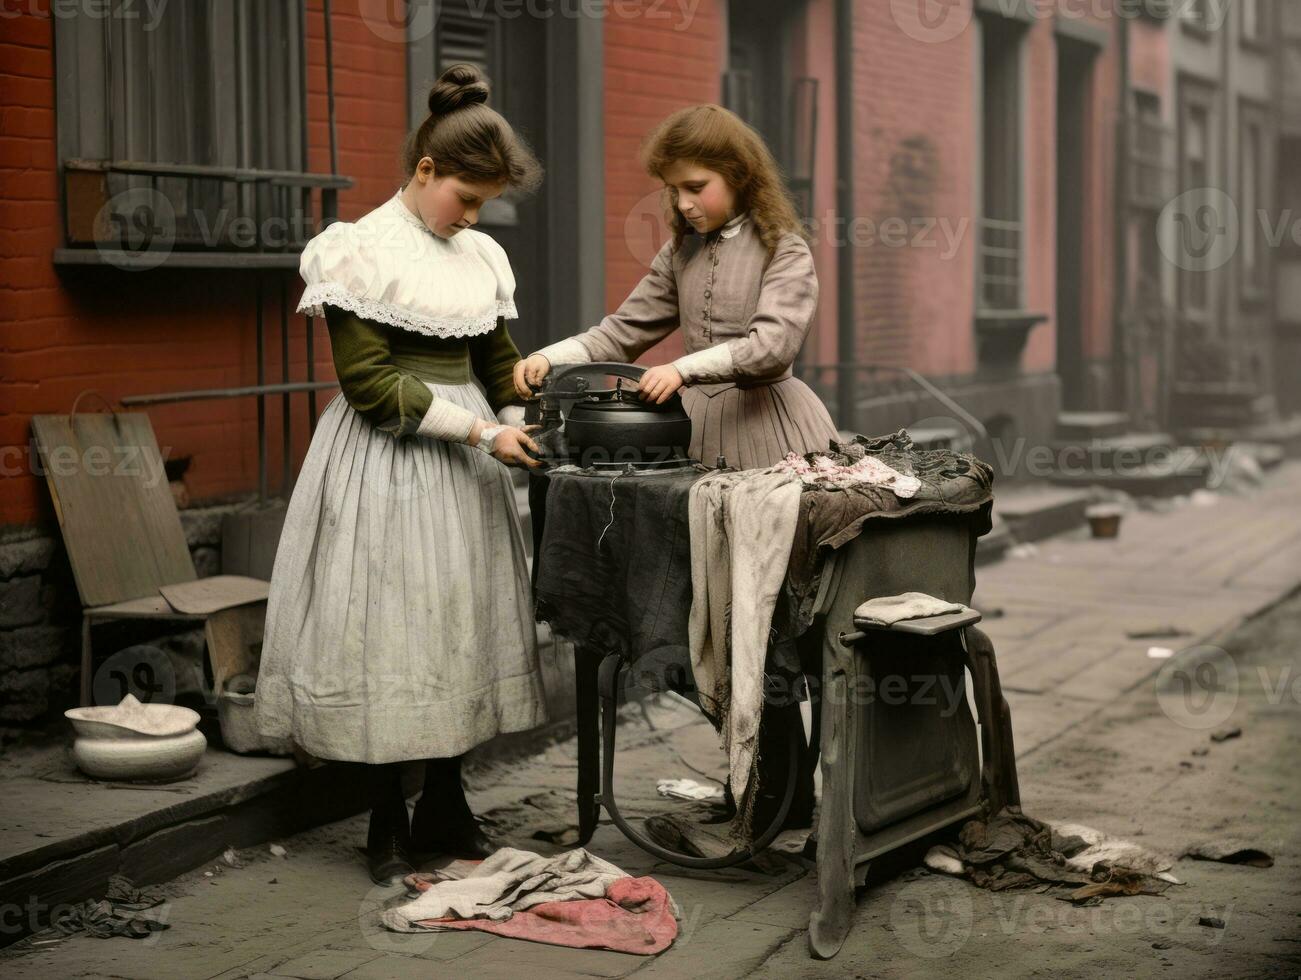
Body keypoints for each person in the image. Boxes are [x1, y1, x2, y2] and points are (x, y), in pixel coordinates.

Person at [255, 64, 547, 885]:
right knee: (389, 631)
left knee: (459, 625)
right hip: (387, 459)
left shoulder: (479, 255)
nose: (472, 216)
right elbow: (371, 385)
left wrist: (519, 420)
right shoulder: (358, 253)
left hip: (467, 468)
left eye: (484, 202)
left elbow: (498, 362)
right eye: (464, 196)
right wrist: (483, 433)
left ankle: (446, 805)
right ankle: (384, 818)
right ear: (425, 172)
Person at [514, 104, 837, 831]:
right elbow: (622, 331)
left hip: (770, 436)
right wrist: (553, 356)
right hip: (700, 447)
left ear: (738, 176)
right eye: (674, 191)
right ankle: (756, 783)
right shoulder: (682, 253)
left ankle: (786, 795)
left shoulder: (784, 246)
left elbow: (773, 346)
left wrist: (685, 368)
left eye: (696, 187)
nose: (683, 203)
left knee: (770, 618)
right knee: (715, 620)